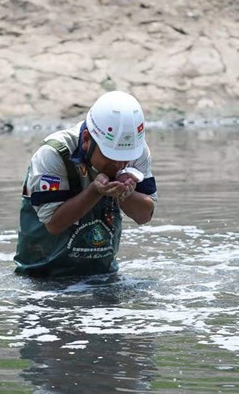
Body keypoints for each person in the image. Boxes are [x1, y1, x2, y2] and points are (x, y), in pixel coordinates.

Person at [14, 91, 157, 277]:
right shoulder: (53, 155)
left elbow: (145, 215)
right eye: (111, 157)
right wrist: (95, 191)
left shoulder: (136, 150)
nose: (120, 165)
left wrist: (126, 193)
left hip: (102, 276)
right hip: (43, 277)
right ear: (87, 139)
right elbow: (54, 225)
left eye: (126, 159)